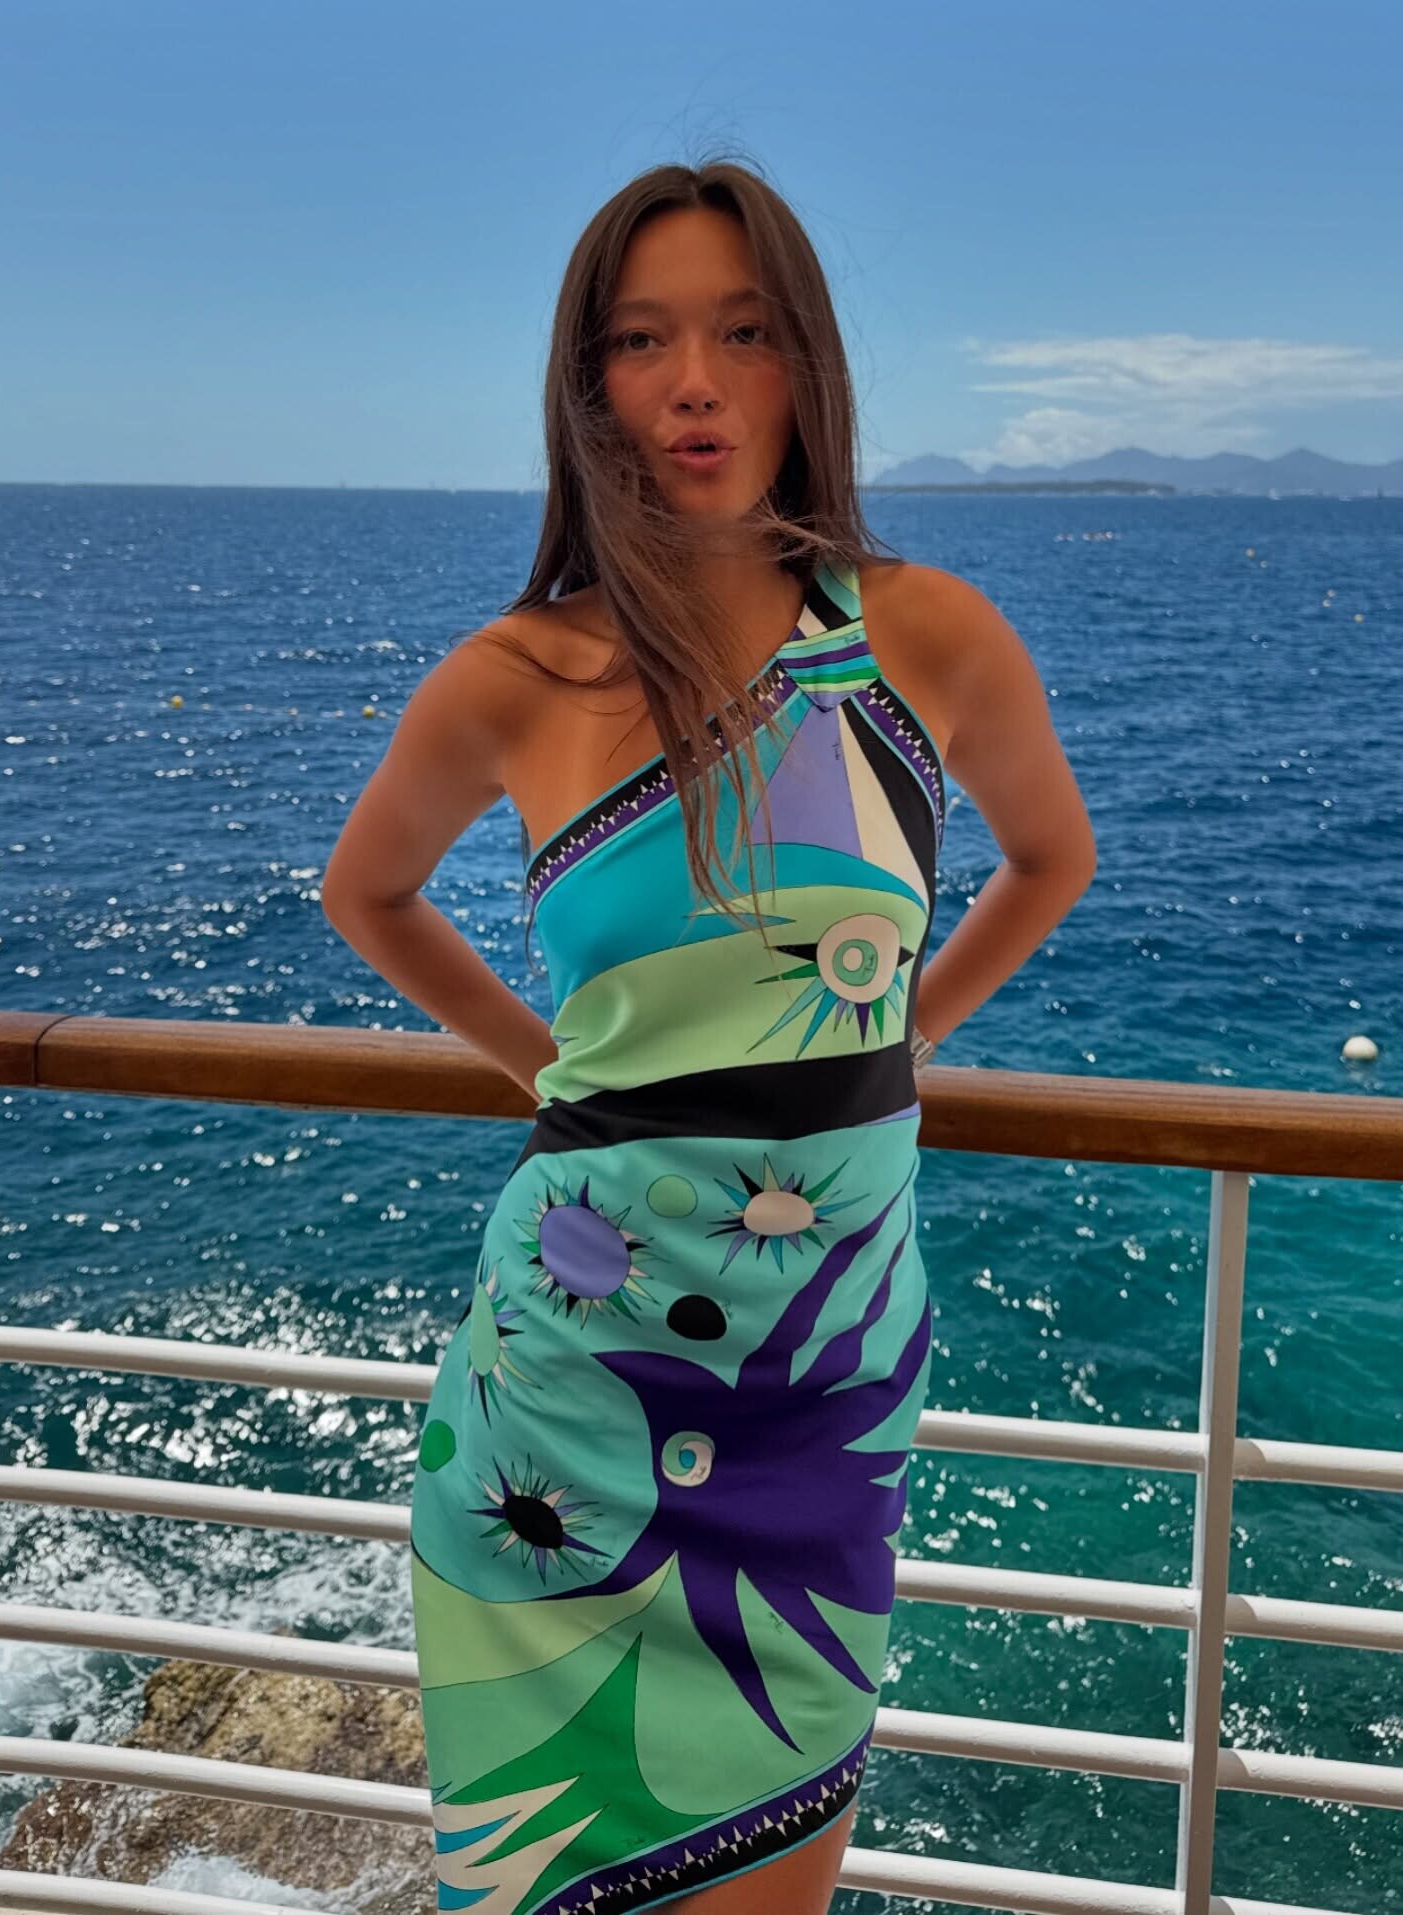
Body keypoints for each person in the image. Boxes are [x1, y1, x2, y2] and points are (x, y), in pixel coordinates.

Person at [322, 155, 1095, 1915]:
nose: (695, 383)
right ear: (585, 385)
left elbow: (1053, 860)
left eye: (745, 334)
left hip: (819, 1390)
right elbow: (369, 891)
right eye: (642, 341)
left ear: (806, 366)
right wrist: (544, 1069)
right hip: (562, 1396)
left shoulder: (922, 639)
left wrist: (895, 1037)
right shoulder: (517, 675)